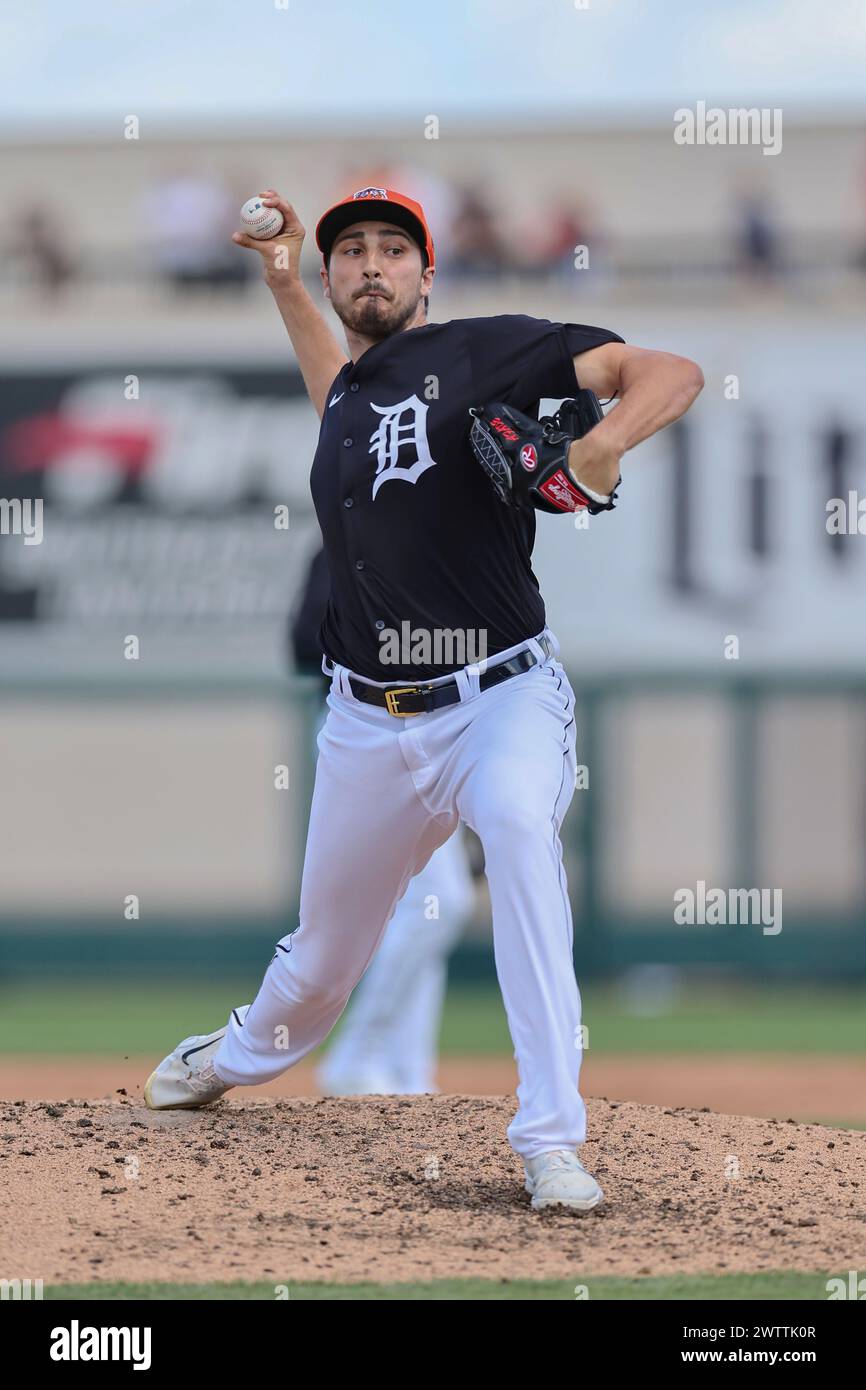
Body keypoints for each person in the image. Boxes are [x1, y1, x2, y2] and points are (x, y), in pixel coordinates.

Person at [145, 185, 704, 1213]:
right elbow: (336, 394)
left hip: (500, 696)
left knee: (517, 836)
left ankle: (548, 1137)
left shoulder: (486, 350)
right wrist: (280, 287)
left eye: (391, 249)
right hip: (365, 723)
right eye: (349, 249)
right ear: (332, 277)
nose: (370, 263)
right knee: (318, 967)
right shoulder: (354, 404)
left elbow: (669, 370)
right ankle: (226, 1057)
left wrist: (606, 437)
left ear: (423, 274)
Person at [290, 544, 476, 1096]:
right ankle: (356, 1056)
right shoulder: (347, 542)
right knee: (441, 906)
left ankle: (407, 1076)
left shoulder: (457, 547)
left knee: (428, 910)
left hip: (445, 729)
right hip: (368, 726)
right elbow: (301, 644)